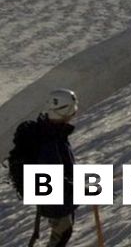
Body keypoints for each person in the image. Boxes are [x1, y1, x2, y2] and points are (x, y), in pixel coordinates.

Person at [11, 88, 79, 247]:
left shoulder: (49, 131)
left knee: (63, 232)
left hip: (53, 199)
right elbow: (53, 176)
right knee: (62, 234)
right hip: (56, 201)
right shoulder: (50, 140)